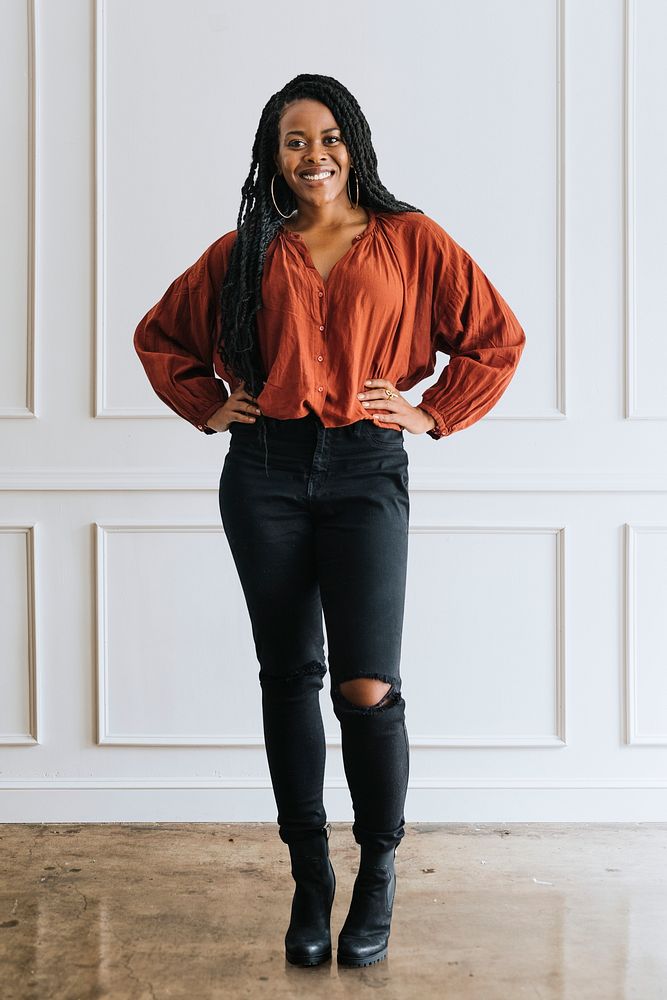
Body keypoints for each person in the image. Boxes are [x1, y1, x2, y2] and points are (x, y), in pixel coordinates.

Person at [133, 72, 526, 969]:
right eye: (294, 142)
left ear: (355, 143)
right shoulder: (244, 250)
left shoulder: (409, 240)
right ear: (272, 157)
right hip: (264, 472)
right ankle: (310, 879)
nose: (314, 157)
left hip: (363, 469)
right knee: (287, 675)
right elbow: (160, 335)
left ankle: (377, 870)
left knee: (365, 687)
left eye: (328, 137)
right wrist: (207, 404)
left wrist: (433, 412)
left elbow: (495, 337)